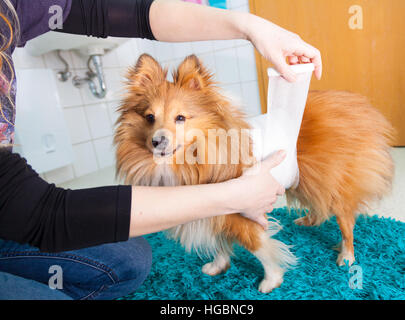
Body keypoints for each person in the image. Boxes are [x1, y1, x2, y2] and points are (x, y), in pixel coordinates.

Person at [0, 0, 322, 300]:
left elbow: (121, 12)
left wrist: (250, 27)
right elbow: (40, 216)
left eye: (180, 119)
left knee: (131, 258)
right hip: (22, 216)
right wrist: (231, 196)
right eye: (151, 118)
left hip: (16, 216)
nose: (160, 134)